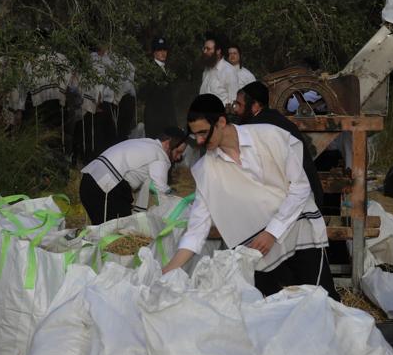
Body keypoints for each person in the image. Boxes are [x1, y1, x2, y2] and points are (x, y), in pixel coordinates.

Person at [163, 94, 337, 299]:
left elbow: (300, 188)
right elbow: (196, 231)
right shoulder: (205, 171)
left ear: (220, 121)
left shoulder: (269, 136)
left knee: (323, 301)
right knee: (273, 314)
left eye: (203, 133)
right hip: (258, 252)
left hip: (299, 232)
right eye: (195, 135)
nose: (199, 141)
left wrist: (272, 232)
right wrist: (167, 271)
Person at [235, 81, 325, 210]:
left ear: (255, 105)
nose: (236, 109)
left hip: (295, 197)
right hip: (307, 194)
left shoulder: (255, 127)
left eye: (239, 105)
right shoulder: (276, 119)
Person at [79, 127, 189, 224]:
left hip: (90, 180)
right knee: (119, 231)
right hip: (105, 189)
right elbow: (161, 188)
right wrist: (178, 206)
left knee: (103, 231)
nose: (178, 157)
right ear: (167, 143)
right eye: (178, 152)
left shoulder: (144, 143)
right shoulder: (160, 156)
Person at [138, 36, 177, 137]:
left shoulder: (167, 69)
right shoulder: (149, 70)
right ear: (154, 52)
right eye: (159, 50)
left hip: (166, 119)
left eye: (164, 49)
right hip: (154, 120)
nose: (163, 53)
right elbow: (142, 94)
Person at [199, 34, 239, 108]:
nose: (204, 51)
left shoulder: (229, 71)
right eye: (204, 48)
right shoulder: (207, 70)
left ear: (218, 51)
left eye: (208, 49)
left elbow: (234, 102)